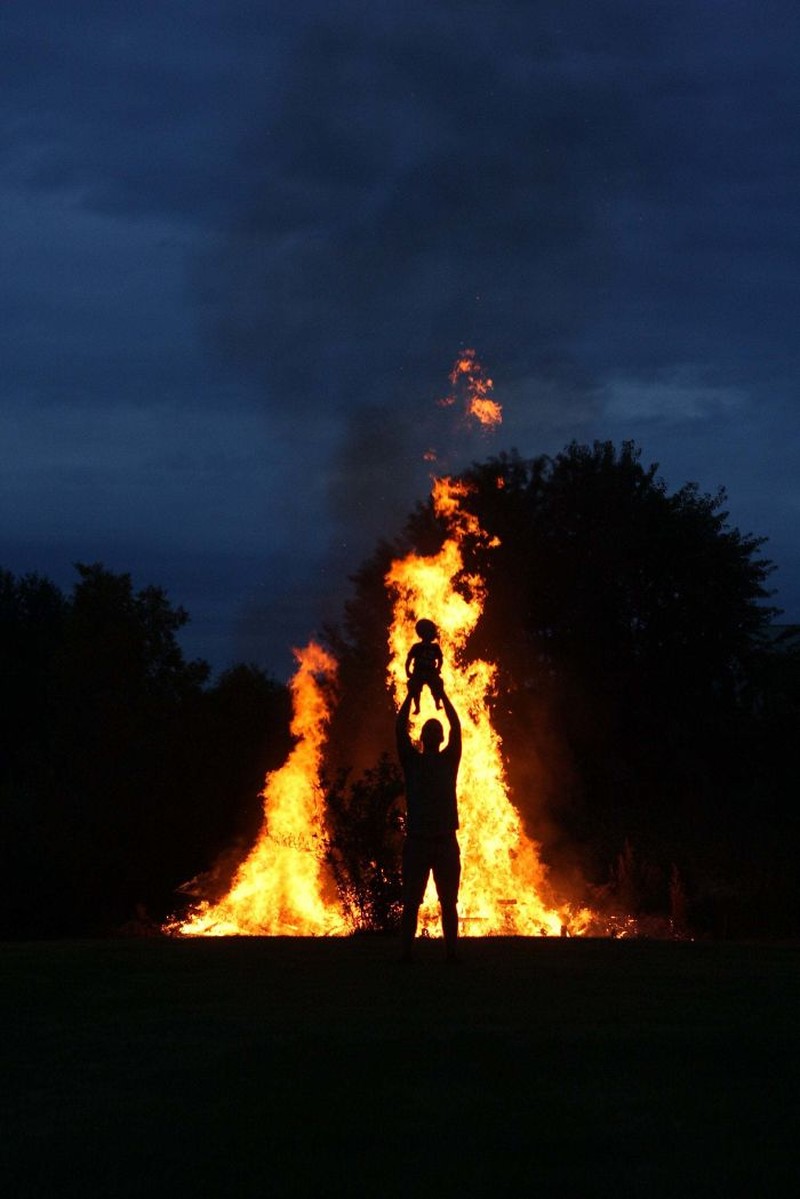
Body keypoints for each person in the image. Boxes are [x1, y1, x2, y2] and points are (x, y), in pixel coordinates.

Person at [395, 683, 462, 961]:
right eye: (430, 731)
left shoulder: (449, 760)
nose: (434, 733)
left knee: (448, 902)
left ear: (441, 737)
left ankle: (451, 954)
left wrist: (441, 694)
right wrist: (412, 694)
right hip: (419, 841)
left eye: (437, 731)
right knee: (411, 903)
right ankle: (406, 953)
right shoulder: (412, 762)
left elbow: (457, 728)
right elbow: (400, 730)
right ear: (423, 738)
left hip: (444, 841)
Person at [405, 618, 443, 713]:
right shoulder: (417, 647)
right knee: (413, 687)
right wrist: (408, 671)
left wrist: (438, 669)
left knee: (438, 684)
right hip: (418, 672)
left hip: (431, 672)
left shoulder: (435, 647)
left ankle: (437, 703)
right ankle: (417, 707)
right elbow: (409, 660)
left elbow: (440, 660)